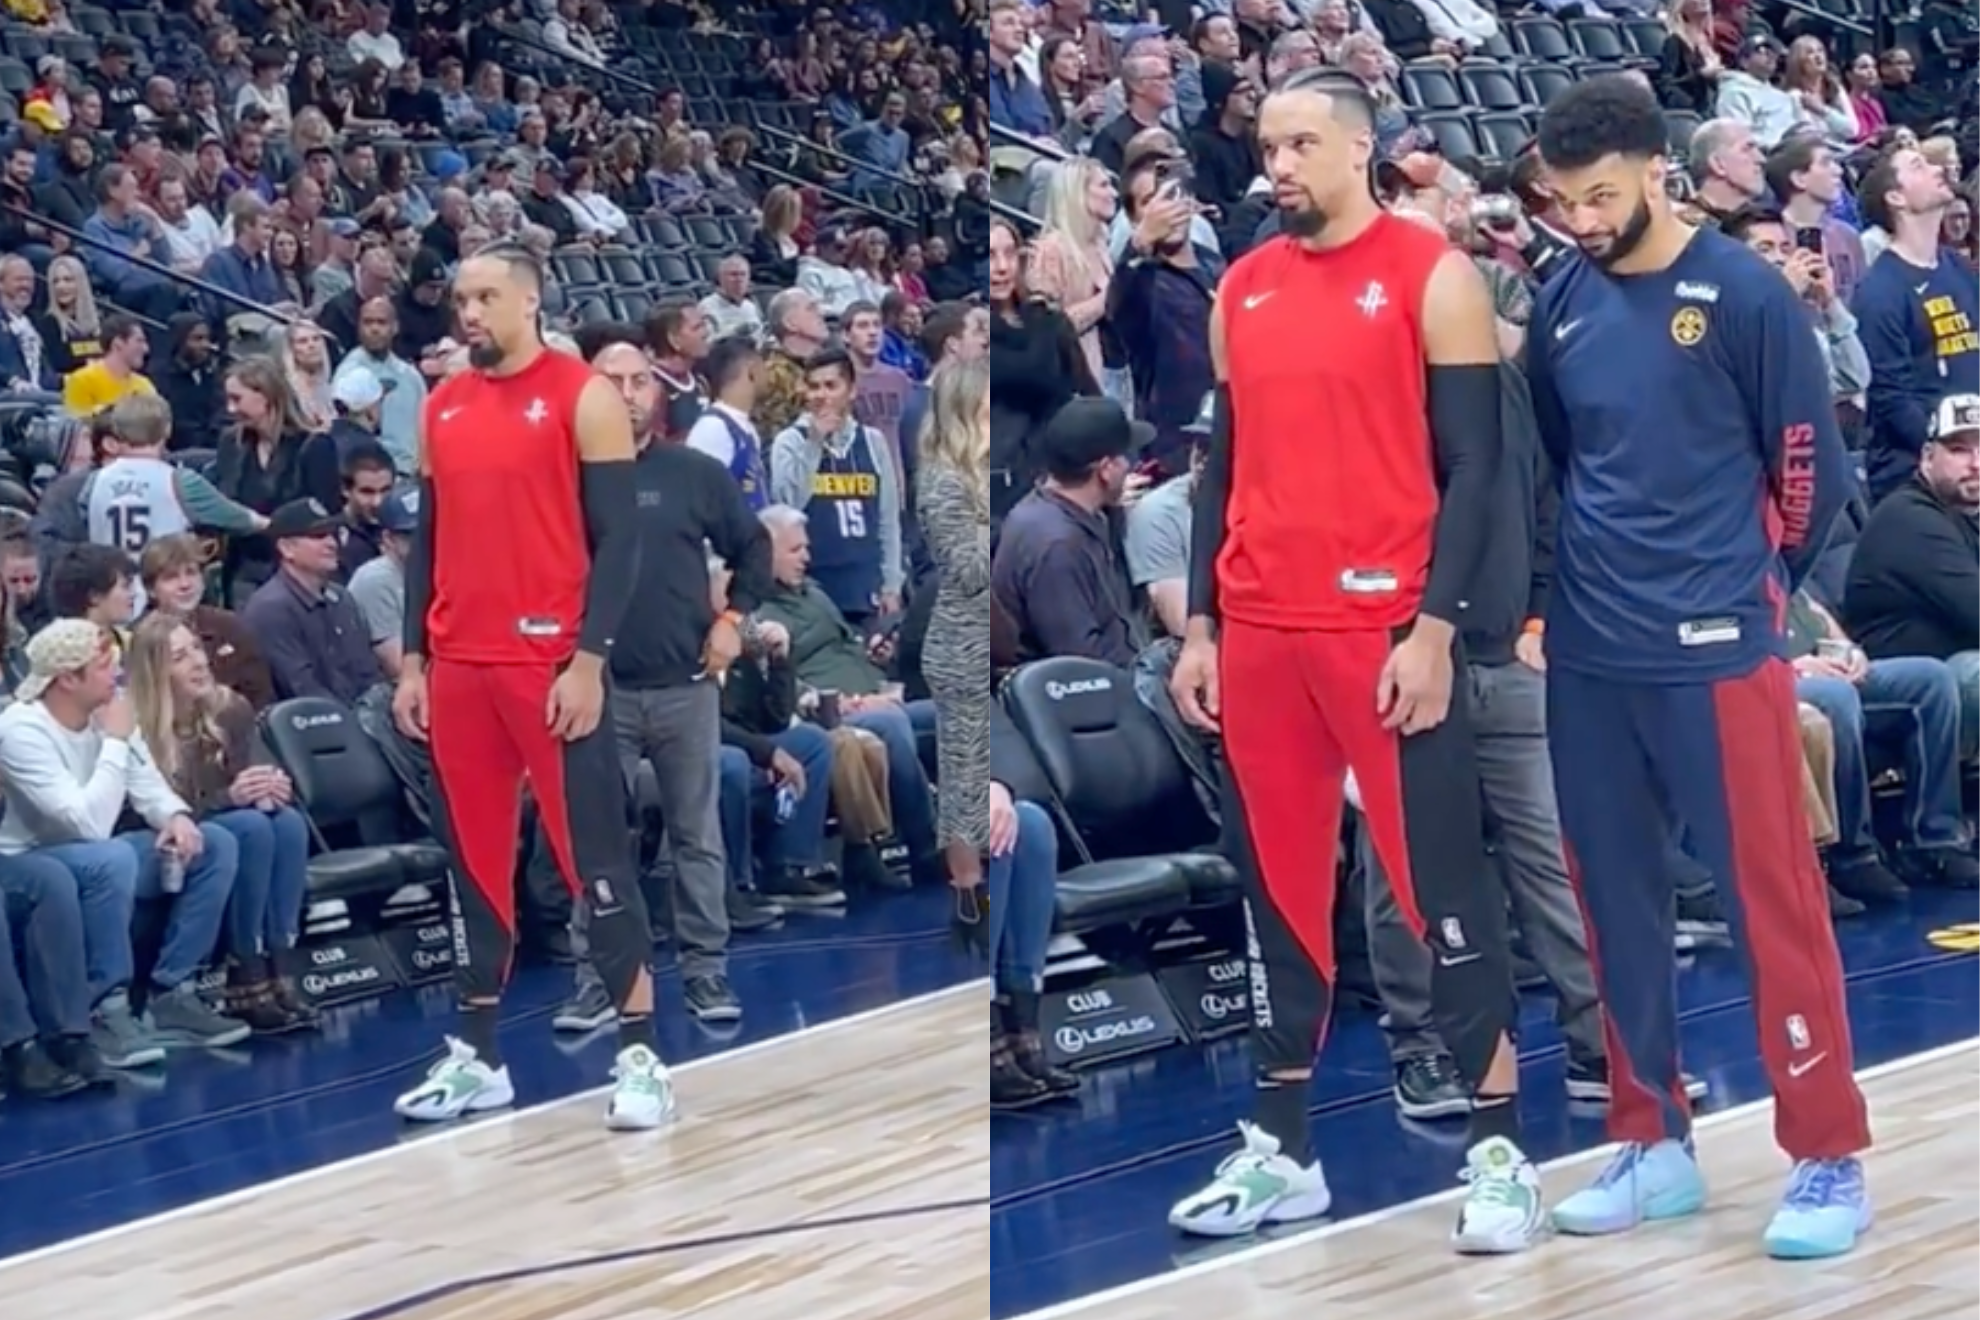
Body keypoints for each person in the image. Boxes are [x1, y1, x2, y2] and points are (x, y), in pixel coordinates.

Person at [1166, 70, 1537, 1252]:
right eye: (1266, 144)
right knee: (1276, 891)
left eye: (1300, 143)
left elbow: (1478, 469)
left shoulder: (1434, 276)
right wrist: (1205, 627)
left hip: (1385, 632)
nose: (1276, 164)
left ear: (1361, 149)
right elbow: (1219, 464)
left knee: (1441, 889)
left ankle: (1499, 1154)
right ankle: (1284, 1151)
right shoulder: (1241, 288)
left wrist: (1438, 627)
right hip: (1263, 631)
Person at [1527, 76, 1869, 1259]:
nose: (1579, 217)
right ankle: (1652, 1138)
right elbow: (1562, 464)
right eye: (1563, 200)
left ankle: (1825, 1153)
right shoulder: (1559, 294)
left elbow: (1809, 463)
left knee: (1770, 901)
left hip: (1719, 645)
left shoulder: (1742, 291)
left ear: (1655, 169)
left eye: (1600, 195)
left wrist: (1755, 585)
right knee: (1614, 906)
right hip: (1590, 655)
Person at [390, 245, 666, 1129]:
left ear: (530, 301)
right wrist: (413, 660)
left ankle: (641, 1055)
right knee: (474, 864)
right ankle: (479, 1056)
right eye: (460, 298)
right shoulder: (441, 405)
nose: (466, 312)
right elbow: (425, 542)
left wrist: (589, 660)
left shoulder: (584, 394)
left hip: (550, 664)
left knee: (594, 860)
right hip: (459, 662)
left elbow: (620, 541)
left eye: (484, 297)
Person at [552, 333, 773, 1031]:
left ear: (659, 390)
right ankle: (600, 979)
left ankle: (706, 973)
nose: (625, 392)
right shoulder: (563, 477)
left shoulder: (692, 473)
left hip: (685, 681)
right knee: (597, 842)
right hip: (599, 687)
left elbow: (755, 546)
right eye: (609, 379)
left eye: (638, 379)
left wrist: (732, 618)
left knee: (697, 837)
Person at [0, 619, 249, 1055]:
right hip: (32, 860)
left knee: (214, 844)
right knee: (111, 857)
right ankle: (105, 1008)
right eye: (103, 667)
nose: (116, 677)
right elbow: (86, 825)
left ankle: (172, 992)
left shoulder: (109, 709)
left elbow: (149, 787)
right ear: (67, 679)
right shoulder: (21, 730)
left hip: (93, 853)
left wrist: (175, 816)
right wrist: (114, 739)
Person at [124, 612, 317, 1033]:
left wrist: (272, 786)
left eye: (196, 647)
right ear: (155, 673)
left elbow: (257, 779)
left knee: (285, 823)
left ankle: (277, 962)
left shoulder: (230, 709)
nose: (198, 661)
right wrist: (231, 798)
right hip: (161, 837)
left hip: (222, 821)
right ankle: (243, 972)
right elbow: (141, 815)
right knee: (248, 828)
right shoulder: (136, 728)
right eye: (180, 656)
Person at [918, 359, 992, 898]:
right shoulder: (944, 481)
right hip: (961, 645)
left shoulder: (977, 475)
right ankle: (969, 894)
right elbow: (967, 570)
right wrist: (1006, 524)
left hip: (987, 638)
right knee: (964, 779)